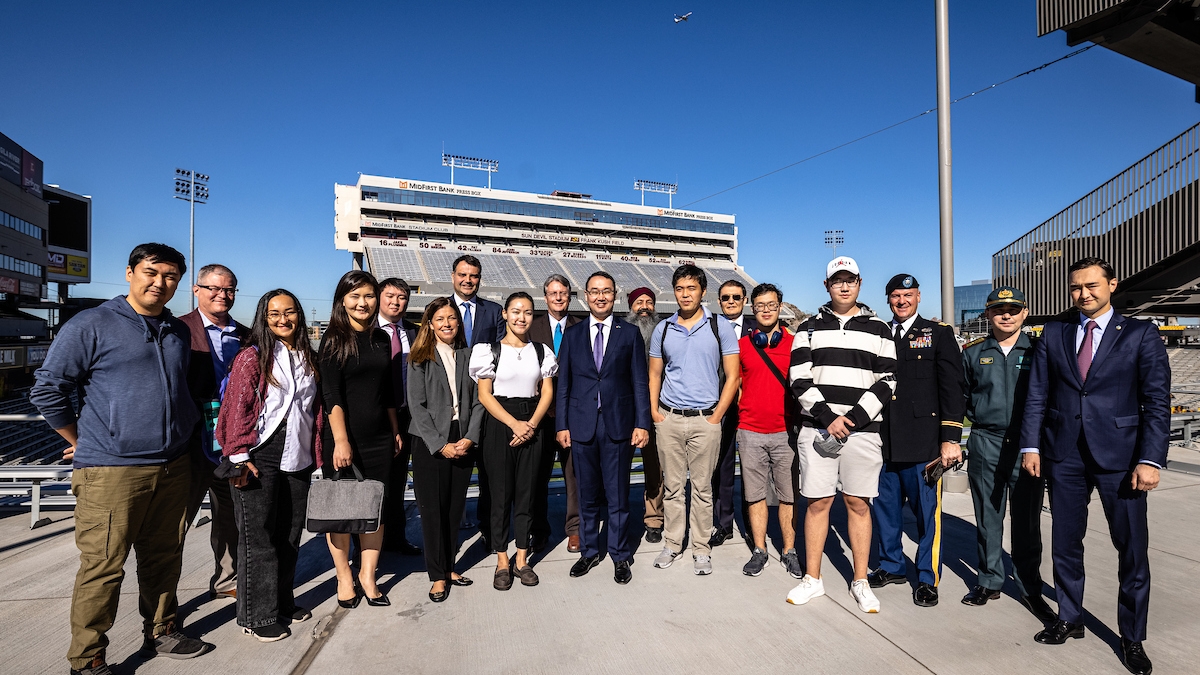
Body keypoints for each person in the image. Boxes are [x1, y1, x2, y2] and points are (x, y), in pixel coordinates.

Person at [31, 243, 213, 675]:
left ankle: (162, 629)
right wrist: (83, 439)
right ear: (130, 272)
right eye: (151, 272)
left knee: (165, 555)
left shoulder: (176, 330)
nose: (160, 283)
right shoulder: (91, 324)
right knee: (104, 568)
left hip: (173, 464)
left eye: (170, 276)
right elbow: (47, 389)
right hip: (112, 470)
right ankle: (88, 658)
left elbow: (176, 392)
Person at [1021, 257, 1169, 675]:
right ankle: (1070, 617)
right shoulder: (1055, 332)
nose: (1083, 294)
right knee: (1066, 542)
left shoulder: (1141, 333)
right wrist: (1031, 446)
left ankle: (1132, 637)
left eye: (1091, 286)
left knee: (1132, 549)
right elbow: (1037, 395)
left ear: (1112, 285)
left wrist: (1150, 458)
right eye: (1075, 287)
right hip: (1063, 454)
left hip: (1122, 460)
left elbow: (1157, 401)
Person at [785, 256, 896, 613]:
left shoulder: (879, 328)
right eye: (838, 281)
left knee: (858, 504)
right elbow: (799, 379)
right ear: (827, 286)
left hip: (863, 432)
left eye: (851, 280)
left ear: (860, 284)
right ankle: (813, 579)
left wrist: (853, 418)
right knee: (817, 503)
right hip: (818, 429)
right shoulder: (808, 327)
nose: (844, 286)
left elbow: (888, 380)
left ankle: (860, 581)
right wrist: (829, 417)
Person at [215, 289, 321, 642]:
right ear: (264, 317)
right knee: (257, 538)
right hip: (260, 452)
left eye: (289, 312)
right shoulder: (252, 357)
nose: (283, 320)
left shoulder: (307, 355)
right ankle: (255, 616)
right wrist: (240, 456)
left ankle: (281, 602)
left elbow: (313, 410)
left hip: (299, 453)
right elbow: (236, 410)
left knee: (289, 535)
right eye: (274, 313)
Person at [960, 287, 1054, 623]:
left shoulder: (1040, 351)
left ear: (1024, 313)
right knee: (988, 516)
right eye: (998, 309)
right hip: (986, 440)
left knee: (1027, 520)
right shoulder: (972, 354)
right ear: (987, 314)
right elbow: (964, 397)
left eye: (1013, 309)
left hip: (1029, 444)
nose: (1006, 315)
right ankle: (989, 580)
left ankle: (1030, 585)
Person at [870, 274, 964, 607]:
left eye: (907, 295)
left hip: (924, 445)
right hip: (884, 443)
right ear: (887, 299)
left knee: (928, 517)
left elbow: (952, 388)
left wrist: (951, 438)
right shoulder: (878, 334)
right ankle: (892, 565)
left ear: (919, 297)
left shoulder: (938, 334)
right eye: (895, 295)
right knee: (885, 512)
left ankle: (927, 578)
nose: (901, 301)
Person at [556, 271, 651, 584]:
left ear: (614, 295)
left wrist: (642, 423)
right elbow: (565, 384)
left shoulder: (630, 333)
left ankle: (620, 555)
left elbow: (639, 381)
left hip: (619, 426)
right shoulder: (572, 334)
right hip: (581, 425)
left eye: (606, 291)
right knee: (586, 495)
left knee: (619, 495)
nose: (600, 297)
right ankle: (589, 551)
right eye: (594, 291)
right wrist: (562, 425)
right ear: (585, 296)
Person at [648, 265, 741, 575]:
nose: (685, 294)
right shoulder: (663, 328)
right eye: (679, 288)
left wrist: (717, 417)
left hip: (705, 420)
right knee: (673, 488)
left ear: (702, 292)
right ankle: (673, 543)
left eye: (691, 288)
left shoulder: (720, 327)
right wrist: (655, 413)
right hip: (670, 418)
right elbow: (654, 374)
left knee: (702, 489)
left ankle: (701, 548)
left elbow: (733, 376)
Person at [317, 271, 402, 609]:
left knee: (373, 511)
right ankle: (344, 576)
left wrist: (394, 429)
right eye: (355, 296)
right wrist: (341, 441)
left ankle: (368, 574)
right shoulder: (333, 338)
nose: (363, 303)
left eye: (368, 296)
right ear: (343, 300)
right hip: (343, 439)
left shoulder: (381, 338)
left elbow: (387, 392)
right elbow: (331, 393)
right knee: (339, 512)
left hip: (380, 435)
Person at [470, 292, 558, 590]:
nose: (522, 317)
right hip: (499, 424)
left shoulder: (543, 351)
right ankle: (502, 560)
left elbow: (546, 392)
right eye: (516, 311)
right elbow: (484, 395)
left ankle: (522, 559)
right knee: (499, 496)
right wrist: (514, 424)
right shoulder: (488, 350)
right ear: (505, 314)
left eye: (528, 312)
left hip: (533, 423)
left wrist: (531, 424)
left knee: (527, 494)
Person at [408, 297, 485, 602]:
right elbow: (417, 406)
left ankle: (449, 566)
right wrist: (440, 445)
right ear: (430, 324)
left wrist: (469, 437)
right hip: (431, 441)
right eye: (440, 319)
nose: (447, 323)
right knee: (432, 511)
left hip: (462, 436)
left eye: (452, 317)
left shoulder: (468, 356)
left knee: (454, 509)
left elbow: (479, 401)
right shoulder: (420, 358)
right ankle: (437, 575)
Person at [180, 263, 247, 603]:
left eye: (229, 289)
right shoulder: (177, 330)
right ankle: (163, 600)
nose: (222, 295)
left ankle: (227, 579)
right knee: (176, 524)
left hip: (231, 443)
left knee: (231, 518)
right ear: (197, 290)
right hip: (189, 445)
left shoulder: (247, 335)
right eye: (214, 288)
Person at [736, 283, 802, 578]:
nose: (765, 310)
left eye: (771, 305)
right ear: (752, 308)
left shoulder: (795, 344)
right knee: (755, 495)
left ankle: (789, 550)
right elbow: (734, 386)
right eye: (760, 305)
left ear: (780, 307)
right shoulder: (742, 346)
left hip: (785, 432)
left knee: (788, 495)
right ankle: (760, 550)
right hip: (750, 431)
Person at [450, 254, 505, 547]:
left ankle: (487, 528)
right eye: (463, 275)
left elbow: (501, 355)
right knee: (453, 469)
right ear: (453, 276)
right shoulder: (442, 310)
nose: (468, 280)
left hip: (484, 400)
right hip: (449, 399)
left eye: (473, 276)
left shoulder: (493, 311)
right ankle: (451, 528)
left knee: (487, 472)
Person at [526, 274, 583, 552]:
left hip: (572, 416)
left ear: (570, 297)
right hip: (539, 415)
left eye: (563, 293)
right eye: (553, 293)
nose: (558, 298)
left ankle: (575, 529)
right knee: (537, 475)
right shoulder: (531, 327)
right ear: (545, 296)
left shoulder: (581, 327)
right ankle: (539, 529)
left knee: (574, 475)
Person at [377, 277, 423, 556]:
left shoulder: (414, 333)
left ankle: (396, 537)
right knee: (376, 482)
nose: (396, 302)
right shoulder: (366, 331)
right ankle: (368, 543)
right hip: (377, 415)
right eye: (390, 296)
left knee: (397, 482)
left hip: (408, 414)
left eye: (402, 297)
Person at [711, 279, 756, 548]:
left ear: (745, 300)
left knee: (751, 471)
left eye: (736, 297)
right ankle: (723, 524)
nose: (731, 302)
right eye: (726, 298)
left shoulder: (757, 329)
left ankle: (752, 525)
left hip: (750, 406)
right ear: (719, 301)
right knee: (722, 469)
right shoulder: (710, 327)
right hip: (720, 405)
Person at [625, 287, 665, 543]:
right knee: (618, 468)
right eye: (639, 302)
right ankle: (618, 517)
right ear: (630, 307)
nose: (644, 307)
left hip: (656, 411)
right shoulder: (622, 332)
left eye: (649, 302)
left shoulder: (663, 332)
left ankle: (654, 518)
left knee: (655, 469)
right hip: (625, 411)